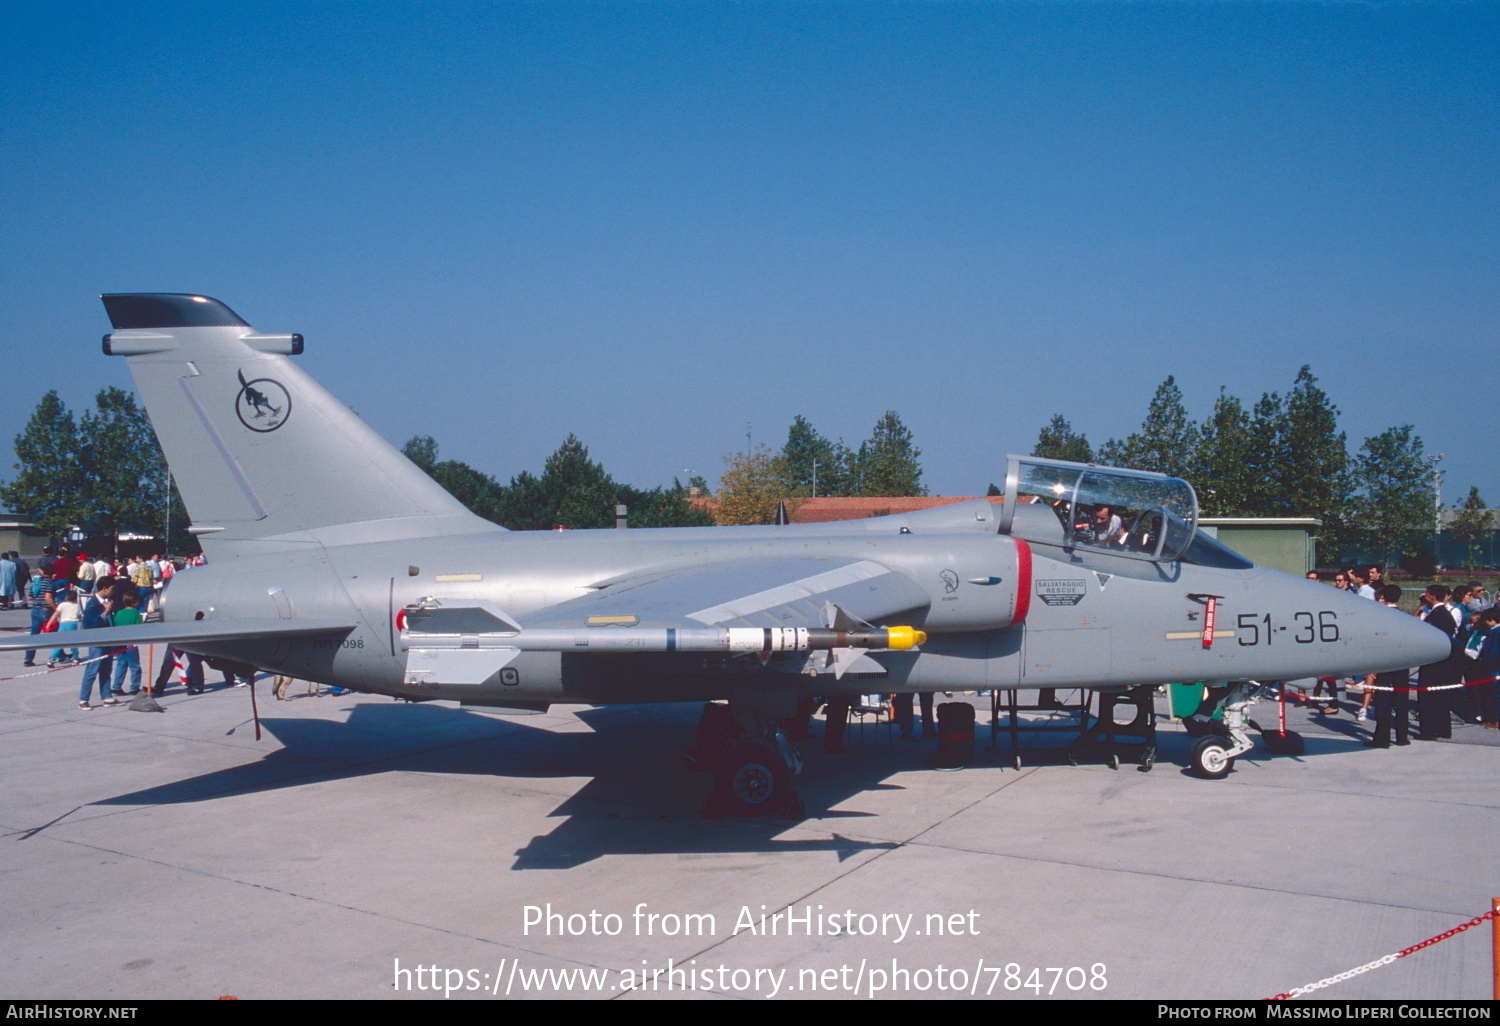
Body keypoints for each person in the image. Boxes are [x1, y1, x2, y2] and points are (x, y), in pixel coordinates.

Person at [1366, 585, 1413, 748]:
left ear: (1383, 596)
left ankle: (1382, 738)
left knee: (1383, 703)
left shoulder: (1380, 617)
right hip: (1402, 664)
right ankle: (1402, 736)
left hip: (1385, 665)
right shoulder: (1405, 617)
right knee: (1402, 702)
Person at [1415, 584, 1458, 741]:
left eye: (1426, 594)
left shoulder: (1438, 615)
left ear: (1432, 596)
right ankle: (1442, 729)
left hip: (1435, 664)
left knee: (1429, 698)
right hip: (1442, 664)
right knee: (1440, 698)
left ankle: (1429, 730)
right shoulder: (1441, 613)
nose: (1424, 596)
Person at [77, 579, 118, 709]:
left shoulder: (107, 602)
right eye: (112, 589)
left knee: (106, 669)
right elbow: (92, 624)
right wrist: (106, 612)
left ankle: (107, 696)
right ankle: (83, 699)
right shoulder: (92, 604)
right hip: (97, 641)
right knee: (92, 669)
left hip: (107, 640)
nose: (113, 592)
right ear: (104, 588)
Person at [109, 589, 144, 696]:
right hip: (131, 642)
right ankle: (134, 687)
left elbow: (115, 624)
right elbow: (139, 627)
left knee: (121, 664)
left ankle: (116, 686)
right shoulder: (135, 613)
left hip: (119, 641)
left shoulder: (119, 613)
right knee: (134, 665)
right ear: (134, 602)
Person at [22, 567, 56, 667]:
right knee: (55, 634)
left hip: (35, 609)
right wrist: (56, 609)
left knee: (34, 635)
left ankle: (28, 659)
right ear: (52, 574)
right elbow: (48, 598)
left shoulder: (37, 582)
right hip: (45, 610)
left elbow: (30, 596)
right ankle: (58, 655)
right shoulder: (49, 583)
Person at [46, 587, 82, 666]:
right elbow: (79, 616)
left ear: (67, 597)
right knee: (73, 642)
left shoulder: (62, 605)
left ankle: (51, 659)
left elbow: (55, 614)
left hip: (63, 624)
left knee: (59, 642)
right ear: (76, 598)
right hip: (72, 623)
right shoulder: (77, 606)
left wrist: (49, 623)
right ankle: (75, 658)